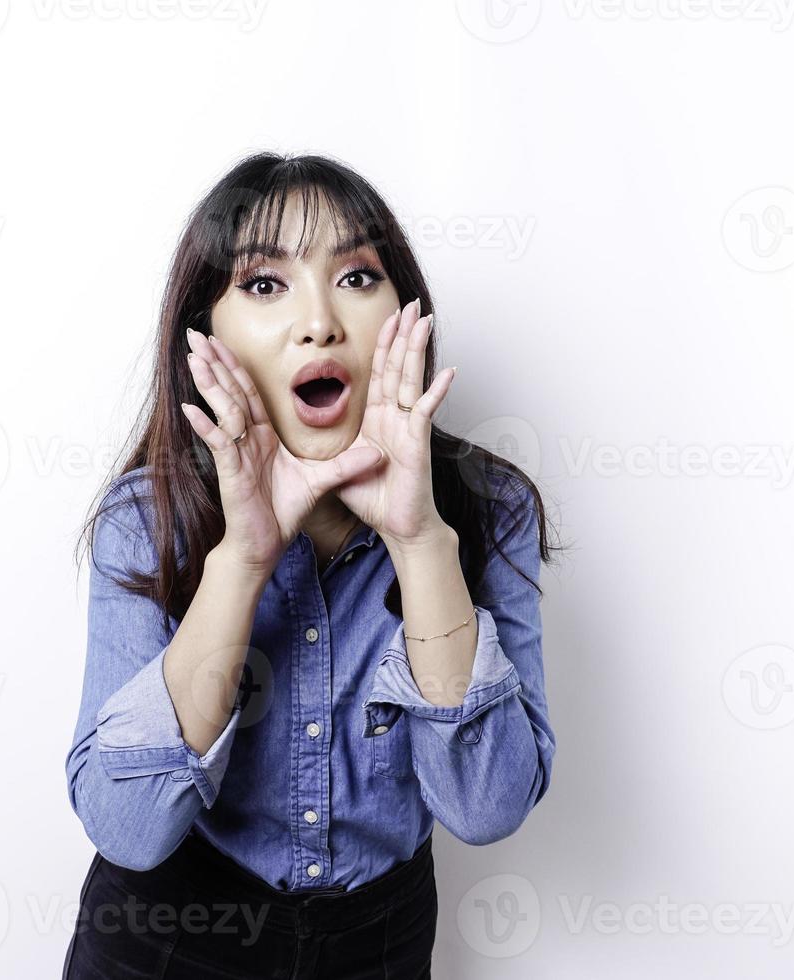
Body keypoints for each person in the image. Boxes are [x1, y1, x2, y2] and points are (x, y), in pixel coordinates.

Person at [62, 151, 558, 978]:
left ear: (407, 312)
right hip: (165, 944)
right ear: (204, 332)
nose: (320, 321)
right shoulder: (146, 520)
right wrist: (245, 557)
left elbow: (486, 806)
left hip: (379, 949)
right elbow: (127, 828)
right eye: (264, 285)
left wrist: (420, 541)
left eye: (359, 277)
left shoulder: (489, 508)